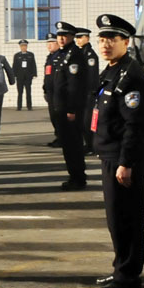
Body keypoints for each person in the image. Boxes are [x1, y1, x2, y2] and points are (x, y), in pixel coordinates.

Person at [91, 14, 144, 288]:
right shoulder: (112, 71)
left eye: (111, 40)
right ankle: (120, 270)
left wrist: (126, 162)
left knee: (126, 218)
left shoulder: (131, 75)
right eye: (102, 40)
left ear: (125, 42)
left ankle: (128, 276)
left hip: (122, 160)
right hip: (111, 155)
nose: (105, 45)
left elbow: (135, 124)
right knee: (116, 219)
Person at [51, 22, 88, 190]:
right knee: (67, 144)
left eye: (64, 35)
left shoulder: (74, 55)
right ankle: (74, 175)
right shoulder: (61, 54)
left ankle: (78, 178)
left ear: (73, 36)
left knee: (73, 144)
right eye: (59, 35)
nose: (61, 38)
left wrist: (72, 109)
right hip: (61, 108)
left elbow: (75, 86)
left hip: (69, 110)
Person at [75, 27, 100, 155]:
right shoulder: (81, 53)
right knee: (82, 121)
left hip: (89, 93)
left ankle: (92, 146)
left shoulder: (90, 55)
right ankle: (88, 144)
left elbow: (91, 76)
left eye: (80, 37)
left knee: (88, 121)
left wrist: (89, 91)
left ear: (87, 38)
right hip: (81, 93)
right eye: (77, 38)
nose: (78, 40)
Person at [43, 33, 61, 147]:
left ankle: (62, 138)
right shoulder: (50, 57)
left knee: (59, 116)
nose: (49, 46)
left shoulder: (60, 57)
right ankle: (58, 136)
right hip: (50, 92)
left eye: (52, 43)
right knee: (53, 116)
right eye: (48, 43)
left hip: (57, 92)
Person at [12, 39, 37, 110]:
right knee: (20, 92)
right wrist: (13, 75)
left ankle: (29, 106)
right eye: (22, 46)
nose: (23, 47)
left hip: (28, 76)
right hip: (20, 77)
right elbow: (14, 66)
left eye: (25, 46)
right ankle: (19, 106)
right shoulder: (17, 55)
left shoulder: (31, 55)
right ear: (20, 47)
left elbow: (33, 65)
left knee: (28, 92)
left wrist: (34, 74)